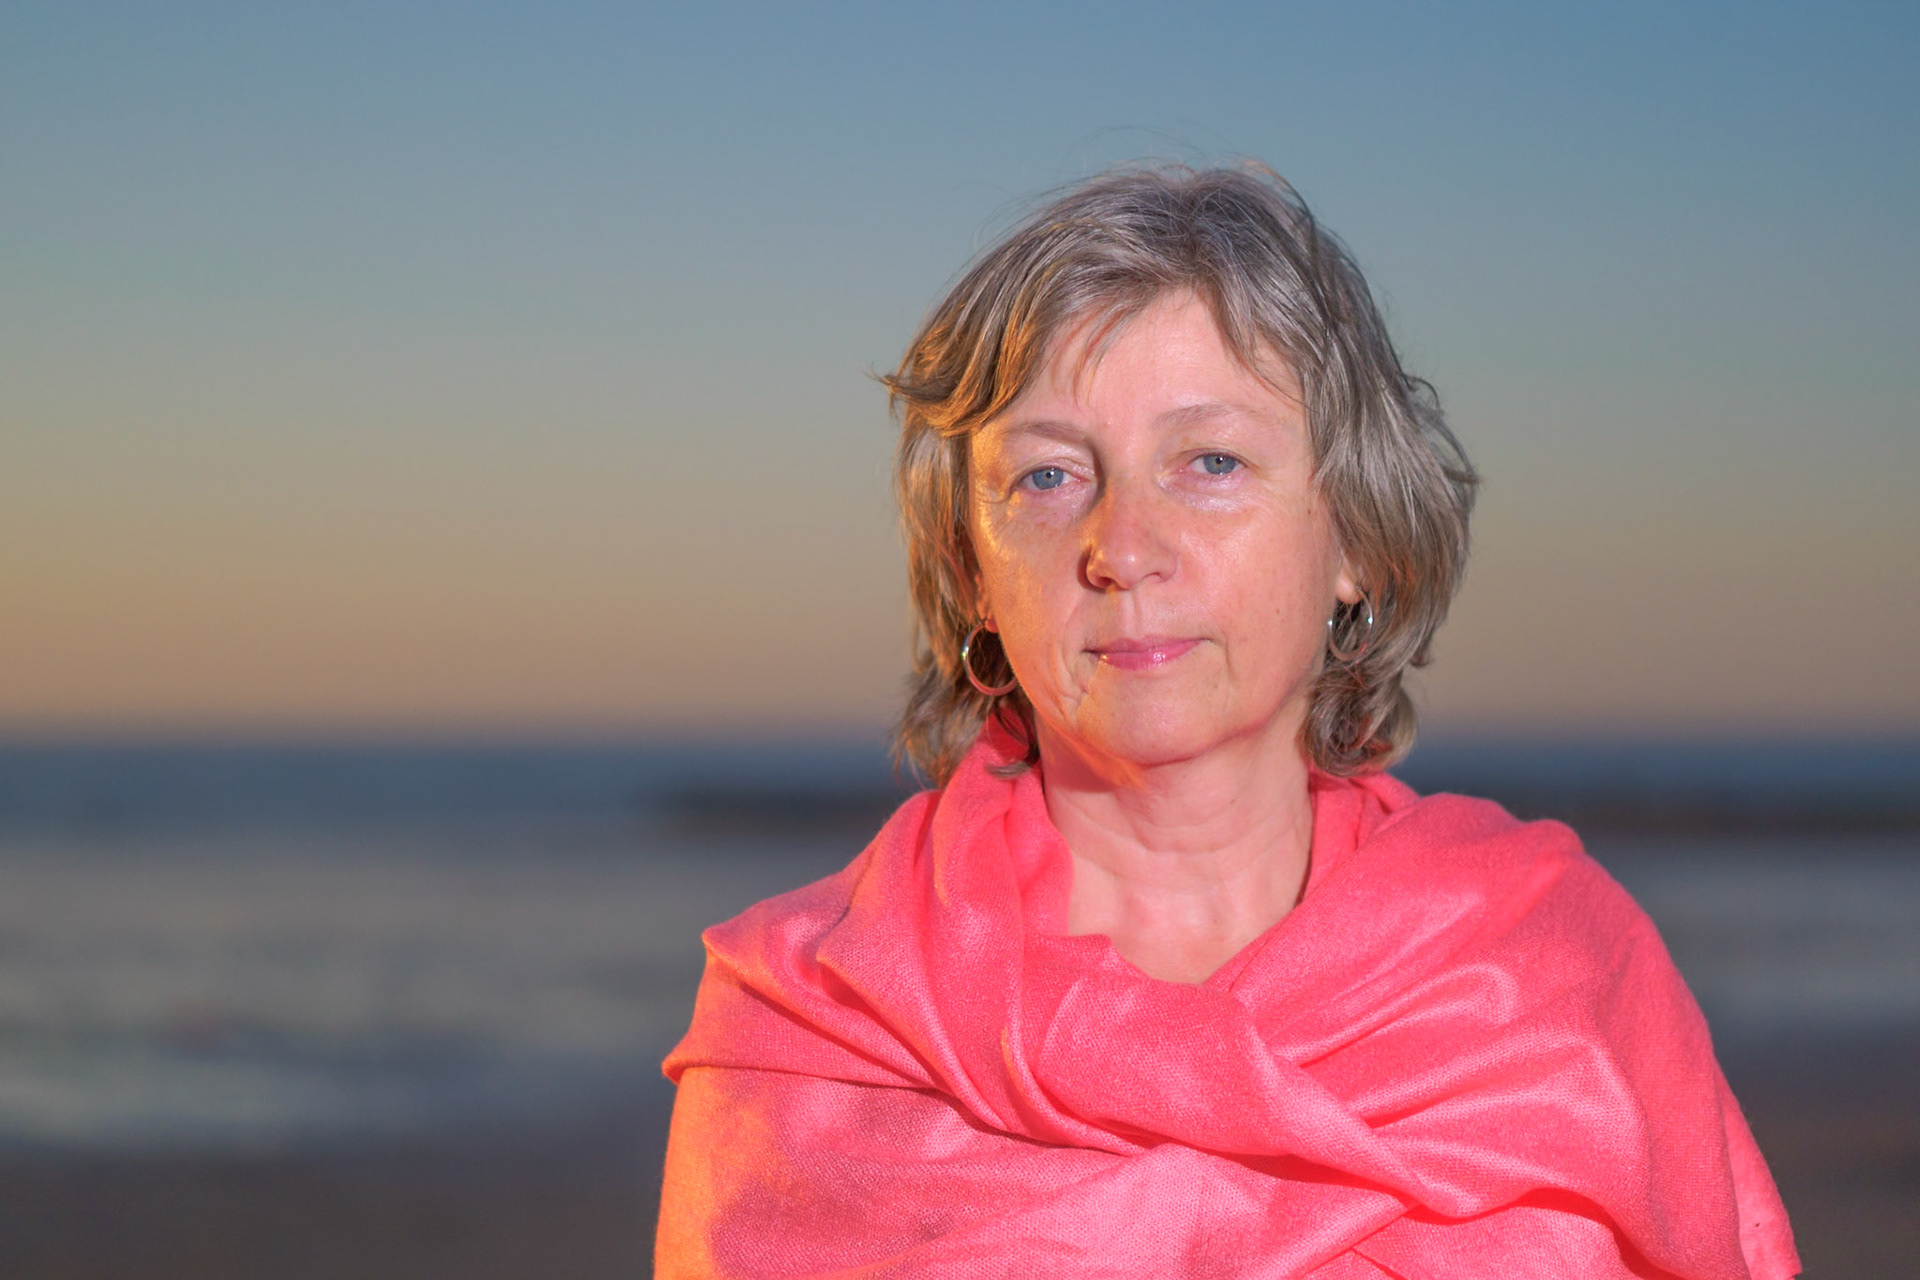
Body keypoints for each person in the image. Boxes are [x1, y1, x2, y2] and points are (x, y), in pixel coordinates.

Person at [655, 165, 1799, 1278]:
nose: (1123, 546)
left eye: (1210, 461)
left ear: (1356, 535)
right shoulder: (814, 1027)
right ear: (971, 566)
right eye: (1050, 477)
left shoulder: (1553, 976)